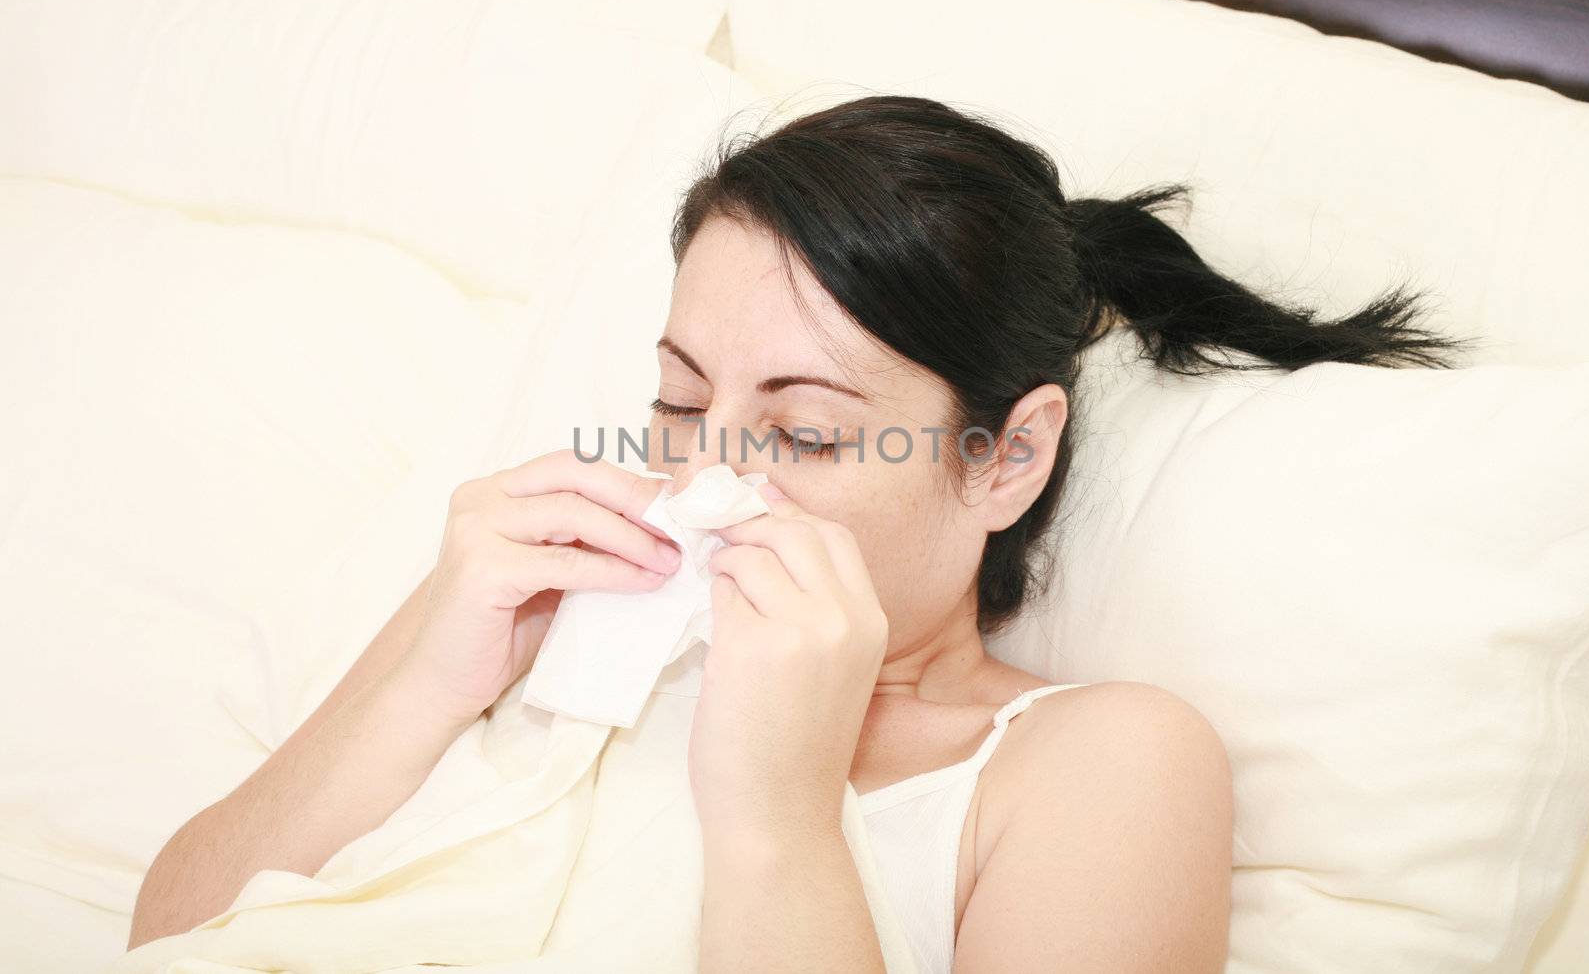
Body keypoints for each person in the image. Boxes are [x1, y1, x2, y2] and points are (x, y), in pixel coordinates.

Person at [128, 94, 1471, 971]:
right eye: (674, 399)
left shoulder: (1098, 764)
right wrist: (430, 665)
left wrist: (775, 817)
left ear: (1007, 456)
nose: (708, 469)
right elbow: (172, 925)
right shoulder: (554, 632)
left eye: (811, 433)